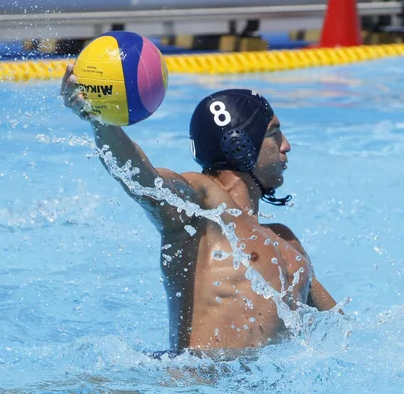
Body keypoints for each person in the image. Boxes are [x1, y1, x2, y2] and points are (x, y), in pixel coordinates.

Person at [60, 64, 339, 358]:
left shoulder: (287, 243)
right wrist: (100, 119)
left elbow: (338, 328)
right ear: (240, 143)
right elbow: (143, 180)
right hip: (195, 382)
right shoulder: (203, 205)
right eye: (274, 133)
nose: (287, 146)